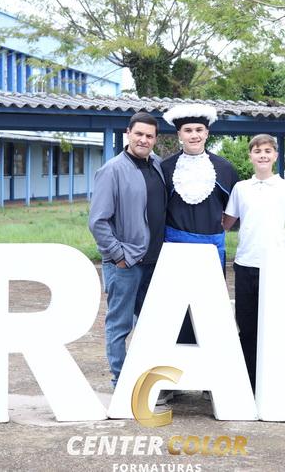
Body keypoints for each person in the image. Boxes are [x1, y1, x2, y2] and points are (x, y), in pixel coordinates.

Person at [88, 112, 166, 388]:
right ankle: (120, 380)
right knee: (120, 324)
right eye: (139, 134)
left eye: (149, 136)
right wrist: (119, 256)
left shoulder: (157, 165)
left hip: (154, 262)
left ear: (155, 139)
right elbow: (98, 221)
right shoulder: (112, 170)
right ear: (128, 133)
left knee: (151, 324)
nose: (143, 140)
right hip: (126, 263)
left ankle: (146, 380)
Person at [223, 134, 285, 392]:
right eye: (258, 151)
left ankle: (272, 383)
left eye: (268, 151)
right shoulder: (241, 188)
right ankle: (248, 383)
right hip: (246, 264)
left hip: (275, 266)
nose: (263, 155)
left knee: (274, 327)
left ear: (275, 155)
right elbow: (225, 223)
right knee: (246, 325)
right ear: (251, 156)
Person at [161, 103, 239, 347]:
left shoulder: (225, 169)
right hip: (175, 248)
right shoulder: (165, 168)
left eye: (198, 130)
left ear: (207, 133)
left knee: (209, 308)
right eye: (188, 130)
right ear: (179, 134)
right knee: (175, 308)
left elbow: (234, 210)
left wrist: (219, 230)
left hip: (211, 249)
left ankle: (209, 362)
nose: (194, 135)